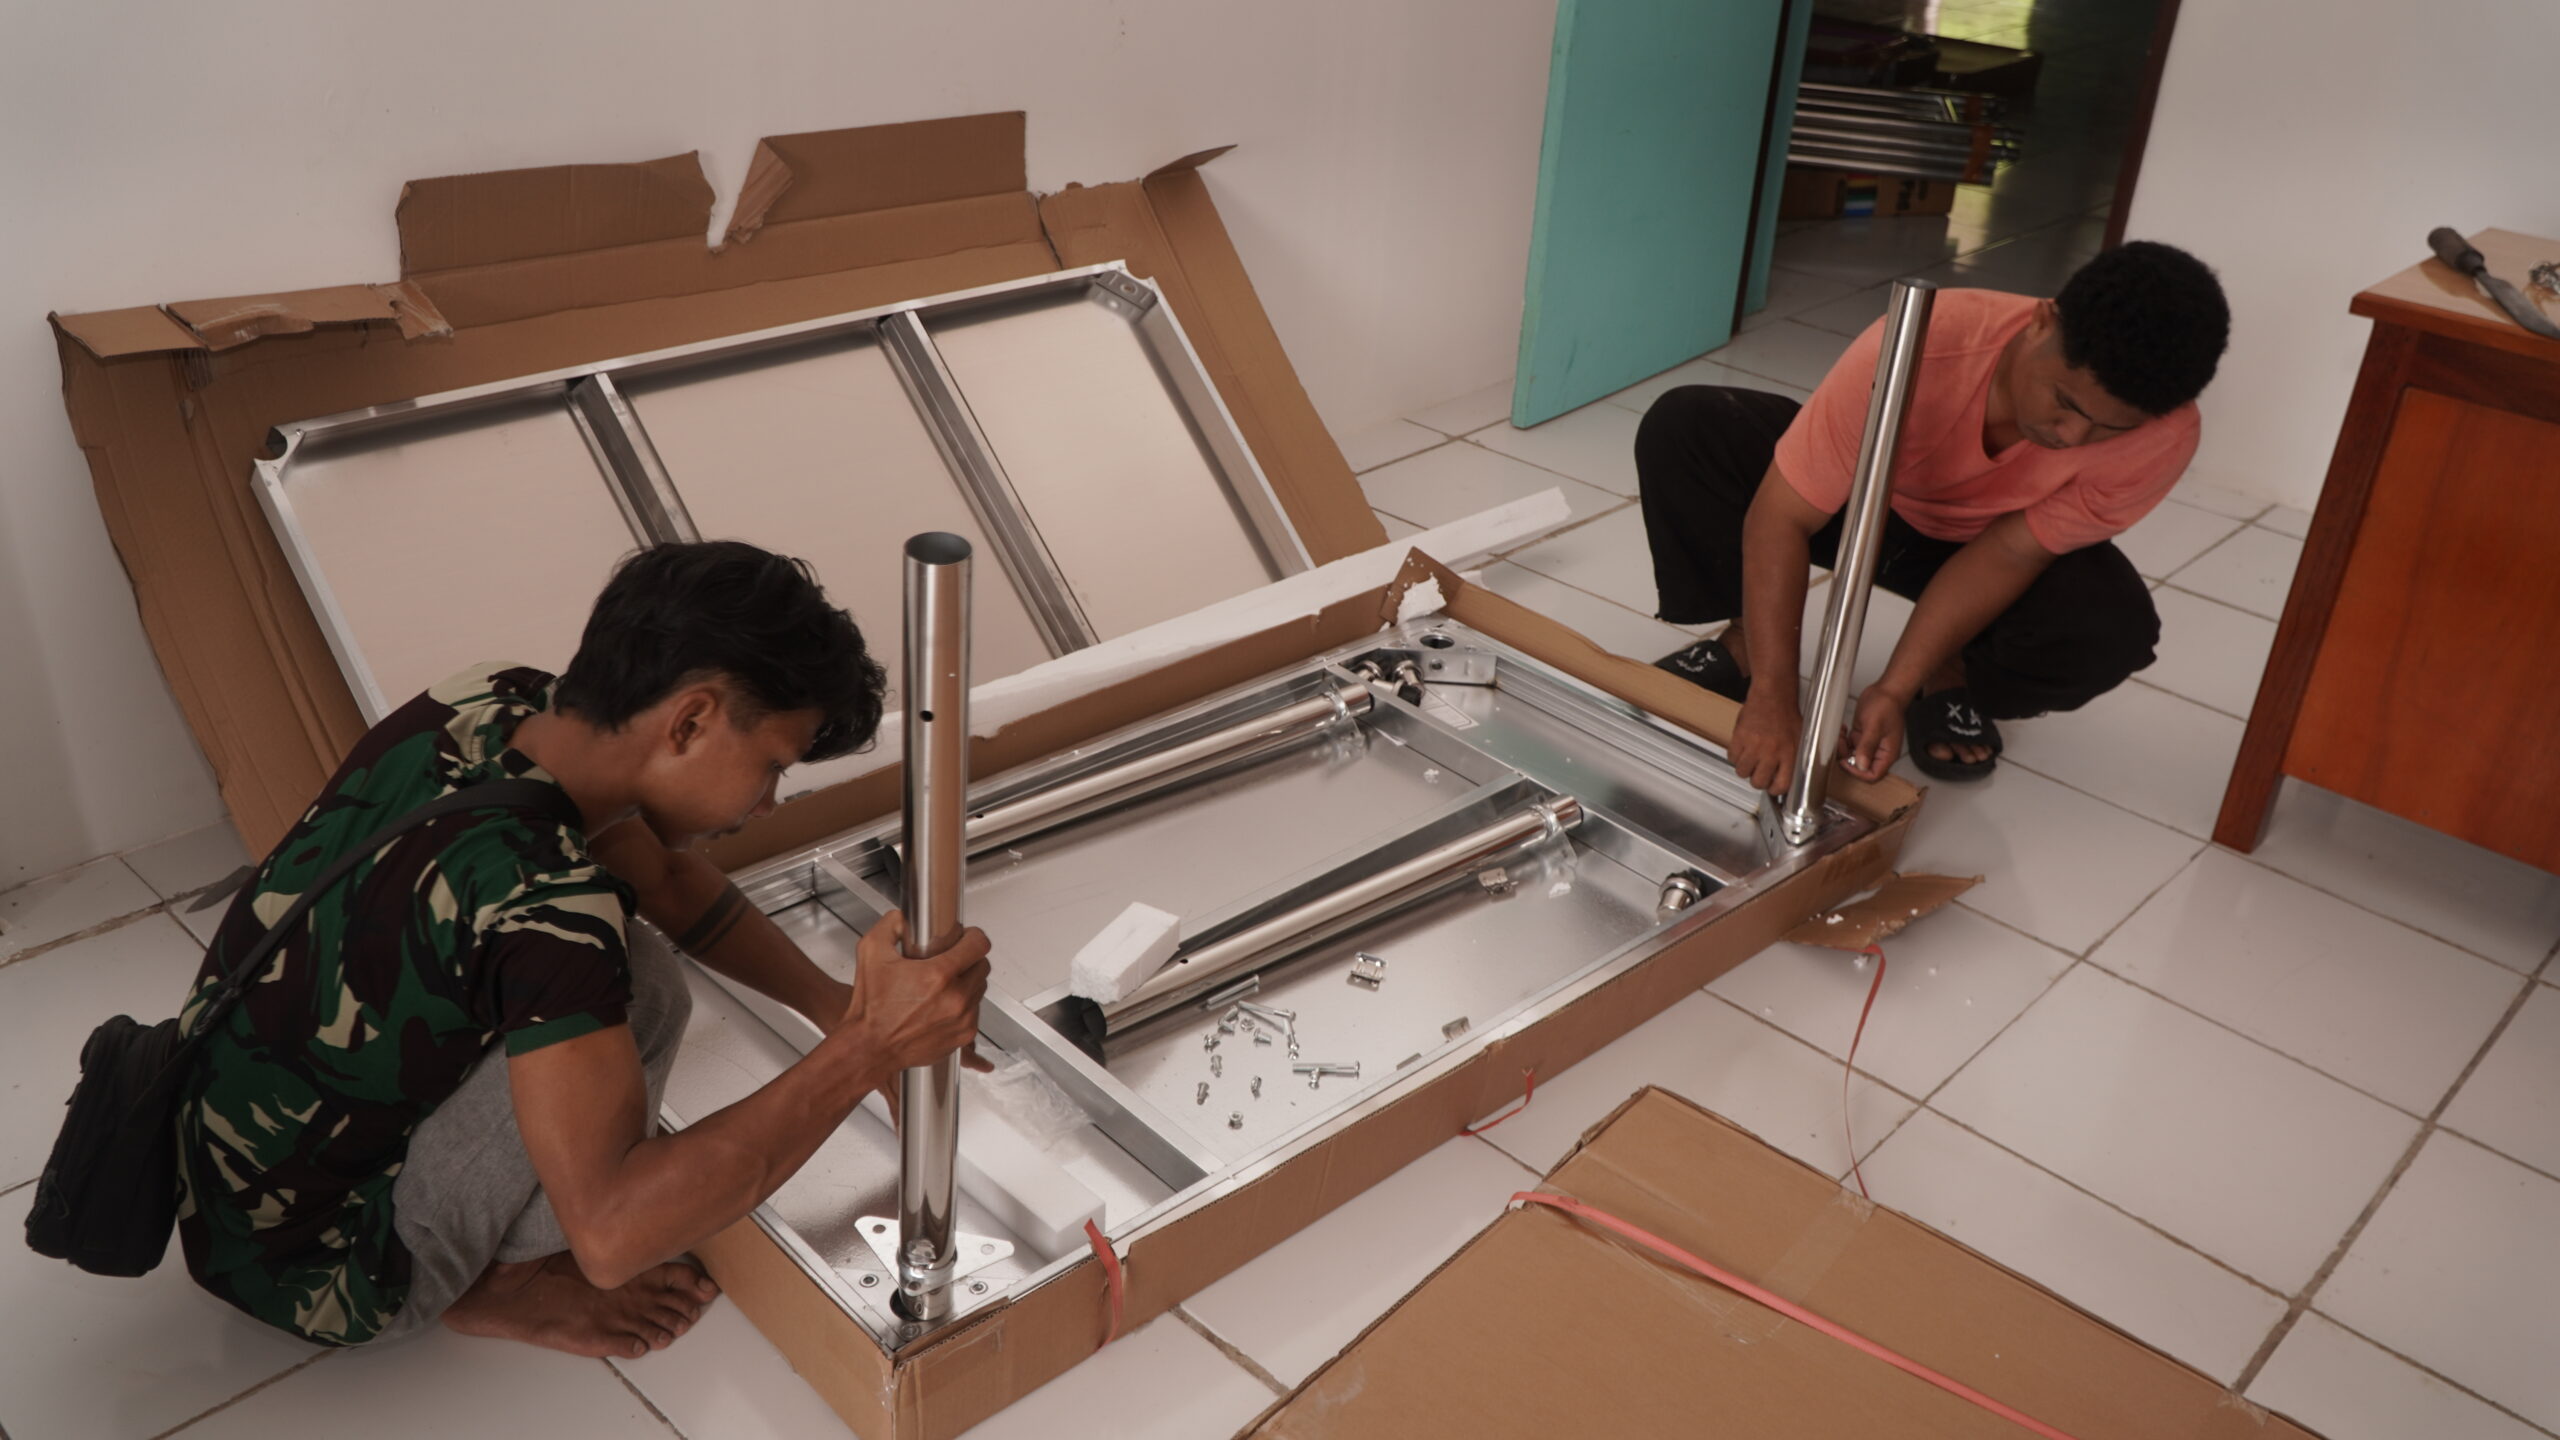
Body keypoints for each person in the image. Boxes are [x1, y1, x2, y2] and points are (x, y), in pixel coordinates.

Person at [173, 540, 993, 1359]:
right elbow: (612, 1235)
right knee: (639, 984)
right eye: (771, 767)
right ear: (691, 721)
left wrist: (835, 1007)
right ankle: (498, 1281)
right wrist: (868, 1046)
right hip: (322, 1269)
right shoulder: (552, 909)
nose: (768, 804)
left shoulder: (492, 700)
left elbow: (665, 878)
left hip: (211, 1171)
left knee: (612, 952)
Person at [1638, 240, 2231, 787]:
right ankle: (1747, 646)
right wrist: (1774, 696)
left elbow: (2011, 552)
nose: (2072, 436)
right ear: (2041, 323)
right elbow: (1782, 518)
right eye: (2064, 402)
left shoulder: (2164, 436)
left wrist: (1893, 688)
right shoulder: (1922, 344)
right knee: (1692, 426)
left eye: (2108, 428)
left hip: (1984, 542)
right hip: (1867, 497)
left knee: (2110, 628)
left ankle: (1949, 672)